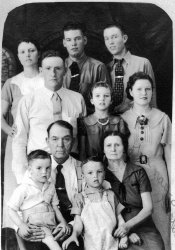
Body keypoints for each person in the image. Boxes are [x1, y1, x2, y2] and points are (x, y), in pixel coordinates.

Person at [12, 50, 86, 184]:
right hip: (38, 168)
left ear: (65, 70)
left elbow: (84, 139)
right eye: (48, 68)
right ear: (41, 71)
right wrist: (21, 177)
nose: (53, 73)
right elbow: (19, 140)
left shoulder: (77, 99)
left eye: (58, 68)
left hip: (71, 168)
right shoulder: (28, 101)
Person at [121, 72, 171, 250]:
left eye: (148, 89)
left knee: (162, 222)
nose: (144, 93)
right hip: (132, 178)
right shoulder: (122, 119)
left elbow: (170, 154)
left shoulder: (163, 118)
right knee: (134, 228)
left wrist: (171, 188)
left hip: (157, 176)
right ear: (131, 91)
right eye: (139, 89)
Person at [17, 120, 84, 250]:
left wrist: (70, 226)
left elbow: (87, 205)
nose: (60, 145)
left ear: (73, 141)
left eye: (66, 139)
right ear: (47, 141)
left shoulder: (82, 168)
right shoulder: (35, 169)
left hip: (72, 224)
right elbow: (20, 203)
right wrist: (21, 228)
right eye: (54, 139)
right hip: (40, 225)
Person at [1, 38, 44, 231]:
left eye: (31, 50)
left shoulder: (47, 77)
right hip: (19, 142)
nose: (27, 55)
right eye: (23, 51)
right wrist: (9, 129)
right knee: (21, 184)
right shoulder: (12, 82)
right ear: (18, 56)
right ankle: (21, 230)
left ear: (38, 53)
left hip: (42, 139)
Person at [103, 130, 165, 250]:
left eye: (117, 145)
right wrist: (126, 232)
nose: (113, 149)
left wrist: (128, 226)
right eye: (108, 145)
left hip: (142, 223)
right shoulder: (101, 175)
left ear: (124, 148)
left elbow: (148, 208)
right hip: (115, 226)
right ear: (103, 149)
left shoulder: (138, 171)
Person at [8, 149, 71, 250]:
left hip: (50, 224)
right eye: (39, 168)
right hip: (35, 226)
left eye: (48, 168)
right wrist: (21, 225)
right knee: (50, 240)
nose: (44, 172)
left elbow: (55, 207)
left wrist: (63, 222)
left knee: (62, 234)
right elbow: (11, 209)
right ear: (30, 169)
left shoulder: (50, 186)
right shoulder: (24, 188)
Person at [62, 156, 128, 250]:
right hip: (91, 243)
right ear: (83, 176)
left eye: (99, 172)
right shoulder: (80, 197)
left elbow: (120, 219)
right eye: (90, 173)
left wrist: (124, 236)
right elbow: (78, 222)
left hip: (111, 242)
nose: (95, 176)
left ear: (104, 174)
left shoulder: (110, 194)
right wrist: (74, 235)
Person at [103, 21, 157, 114]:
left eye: (114, 37)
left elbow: (151, 99)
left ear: (124, 38)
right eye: (107, 39)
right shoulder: (105, 68)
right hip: (113, 122)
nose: (110, 42)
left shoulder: (143, 63)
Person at [62, 21, 109, 114]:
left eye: (77, 39)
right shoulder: (58, 68)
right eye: (69, 40)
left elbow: (106, 98)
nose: (73, 43)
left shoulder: (98, 67)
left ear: (85, 40)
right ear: (64, 43)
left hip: (89, 120)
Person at [78, 81, 129, 160]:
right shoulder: (84, 122)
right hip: (93, 167)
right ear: (92, 100)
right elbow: (82, 153)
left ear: (111, 100)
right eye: (97, 96)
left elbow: (124, 150)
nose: (102, 99)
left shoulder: (119, 122)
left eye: (106, 96)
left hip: (114, 164)